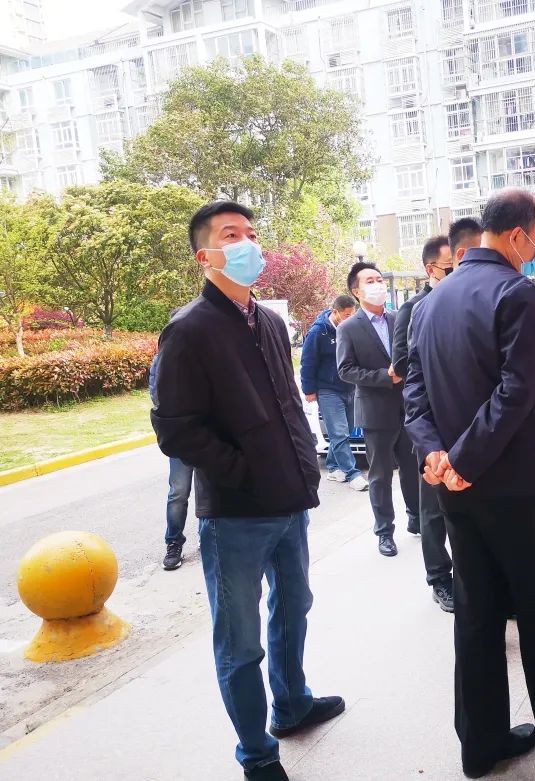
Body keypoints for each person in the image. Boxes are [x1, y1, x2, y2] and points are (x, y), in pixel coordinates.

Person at [404, 189, 535, 779]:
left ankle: (483, 742)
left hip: (457, 490)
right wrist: (463, 459)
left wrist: (437, 455)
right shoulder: (515, 292)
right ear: (519, 235)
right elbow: (519, 390)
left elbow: (414, 391)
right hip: (518, 486)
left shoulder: (431, 301)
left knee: (476, 612)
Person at [151, 201, 342, 781]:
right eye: (231, 235)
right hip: (235, 513)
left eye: (251, 233)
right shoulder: (188, 330)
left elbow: (285, 403)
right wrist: (243, 472)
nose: (247, 244)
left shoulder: (270, 322)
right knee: (240, 642)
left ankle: (293, 704)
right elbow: (175, 429)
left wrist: (303, 467)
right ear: (204, 256)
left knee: (294, 607)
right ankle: (257, 752)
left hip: (290, 501)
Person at [390, 235, 455, 611]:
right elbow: (401, 364)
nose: (456, 272)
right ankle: (439, 579)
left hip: (463, 420)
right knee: (432, 509)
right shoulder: (413, 308)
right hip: (429, 422)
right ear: (431, 269)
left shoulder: (464, 300)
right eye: (449, 266)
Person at [337, 261, 420, 557]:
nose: (377, 285)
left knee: (412, 470)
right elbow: (345, 370)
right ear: (356, 291)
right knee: (380, 476)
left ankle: (417, 518)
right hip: (375, 412)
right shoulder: (348, 327)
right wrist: (385, 377)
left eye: (378, 279)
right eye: (369, 281)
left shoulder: (399, 319)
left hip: (408, 408)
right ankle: (384, 531)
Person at [300, 294, 369, 491]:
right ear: (335, 312)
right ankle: (352, 474)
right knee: (339, 433)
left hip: (350, 387)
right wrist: (309, 390)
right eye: (346, 315)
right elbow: (307, 362)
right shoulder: (318, 332)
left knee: (345, 430)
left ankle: (332, 466)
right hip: (327, 390)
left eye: (352, 315)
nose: (350, 318)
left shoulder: (353, 329)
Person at [149, 312, 194, 571]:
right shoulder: (163, 360)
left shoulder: (207, 355)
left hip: (210, 434)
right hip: (182, 437)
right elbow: (158, 398)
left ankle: (212, 539)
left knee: (213, 492)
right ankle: (173, 542)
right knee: (178, 492)